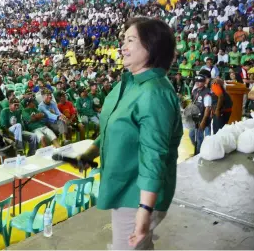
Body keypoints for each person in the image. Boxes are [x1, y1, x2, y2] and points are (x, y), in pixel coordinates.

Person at [76, 18, 182, 250]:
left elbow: (153, 156)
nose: (122, 47)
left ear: (151, 46)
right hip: (125, 186)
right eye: (123, 40)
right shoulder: (132, 84)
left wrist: (143, 213)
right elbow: (120, 128)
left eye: (130, 40)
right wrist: (92, 151)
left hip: (136, 195)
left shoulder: (153, 93)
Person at [190, 74, 212, 154]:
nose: (198, 83)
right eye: (197, 81)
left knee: (199, 137)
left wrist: (203, 121)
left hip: (202, 118)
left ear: (204, 82)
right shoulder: (195, 91)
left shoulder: (206, 93)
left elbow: (207, 109)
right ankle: (198, 150)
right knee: (192, 135)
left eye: (200, 82)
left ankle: (198, 154)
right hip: (195, 118)